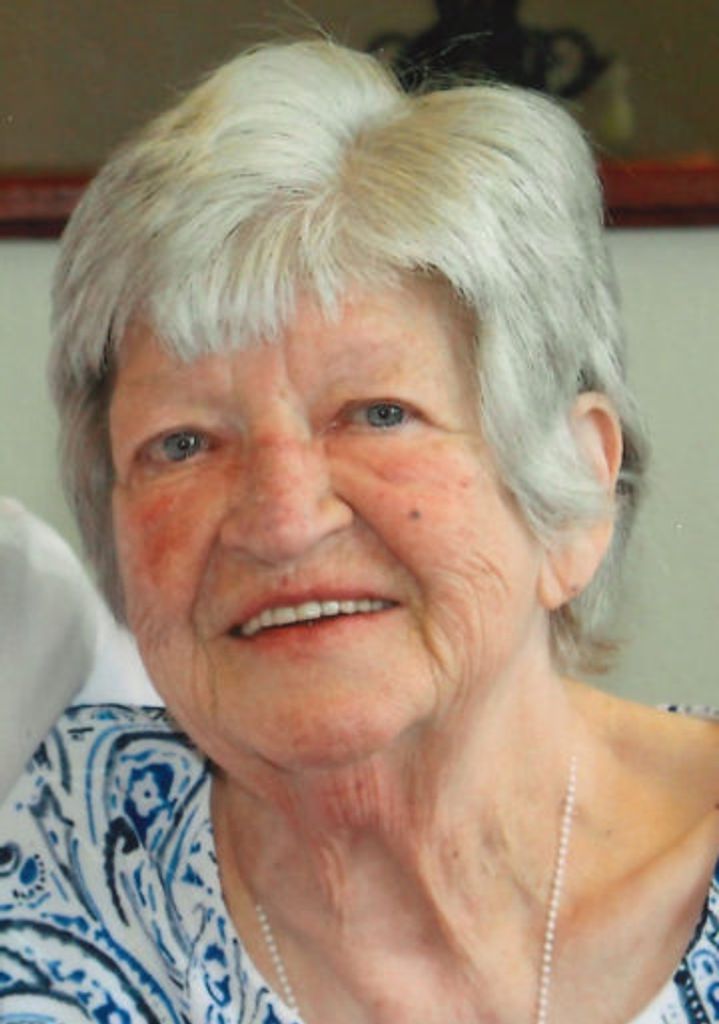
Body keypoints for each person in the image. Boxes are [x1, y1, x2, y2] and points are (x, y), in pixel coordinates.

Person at [1, 38, 717, 1024]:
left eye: (377, 414)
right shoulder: (55, 869)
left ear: (573, 495)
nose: (281, 520)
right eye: (184, 444)